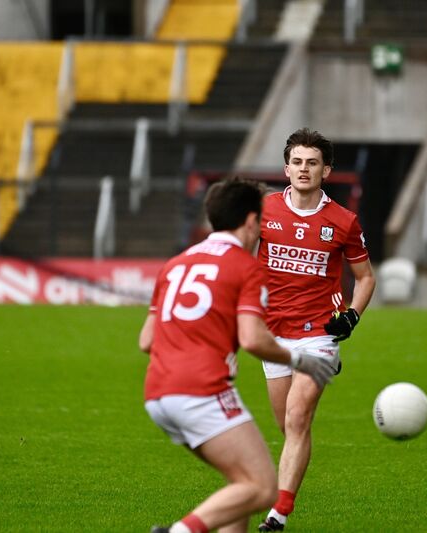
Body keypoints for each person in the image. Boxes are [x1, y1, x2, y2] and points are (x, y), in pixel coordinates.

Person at [139, 177, 336, 533]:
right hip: (202, 390)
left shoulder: (176, 264)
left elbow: (146, 340)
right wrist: (302, 361)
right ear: (250, 221)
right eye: (261, 219)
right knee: (262, 488)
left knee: (242, 483)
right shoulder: (246, 267)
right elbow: (253, 339)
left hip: (157, 394)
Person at [257, 128, 376, 531]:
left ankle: (278, 514)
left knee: (297, 417)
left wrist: (352, 316)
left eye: (312, 163)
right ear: (286, 169)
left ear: (326, 171)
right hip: (273, 333)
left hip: (319, 332)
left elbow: (365, 278)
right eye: (297, 162)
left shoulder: (343, 221)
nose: (303, 169)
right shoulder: (264, 210)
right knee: (288, 427)